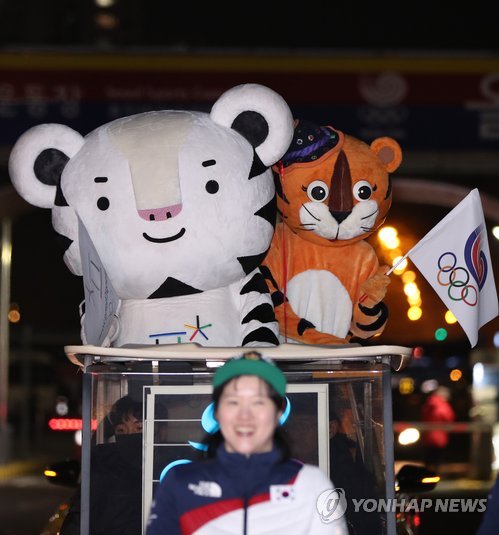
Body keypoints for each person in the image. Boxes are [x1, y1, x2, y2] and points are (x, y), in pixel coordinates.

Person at [146, 351, 348, 534]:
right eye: (233, 402)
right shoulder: (181, 482)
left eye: (258, 402)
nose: (245, 415)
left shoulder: (310, 484)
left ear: (278, 413)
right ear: (217, 412)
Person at [420, 385, 456, 473]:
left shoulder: (428, 404)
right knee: (437, 458)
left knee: (428, 457)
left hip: (428, 435)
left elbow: (423, 416)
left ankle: (426, 474)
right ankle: (435, 474)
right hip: (440, 436)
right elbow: (449, 417)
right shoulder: (443, 405)